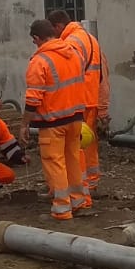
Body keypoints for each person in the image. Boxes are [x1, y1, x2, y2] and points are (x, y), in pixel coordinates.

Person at [21, 18, 89, 220]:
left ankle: (62, 208)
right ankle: (78, 201)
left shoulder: (39, 62)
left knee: (55, 162)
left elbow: (33, 99)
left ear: (37, 38)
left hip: (53, 123)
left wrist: (24, 124)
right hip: (76, 119)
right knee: (73, 159)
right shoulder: (74, 54)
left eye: (34, 41)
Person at [48, 9, 109, 192]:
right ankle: (91, 181)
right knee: (88, 145)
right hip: (90, 101)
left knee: (76, 148)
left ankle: (79, 186)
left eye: (52, 30)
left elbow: (65, 73)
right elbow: (102, 74)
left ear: (58, 26)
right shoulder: (89, 39)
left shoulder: (71, 43)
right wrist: (103, 106)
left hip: (77, 103)